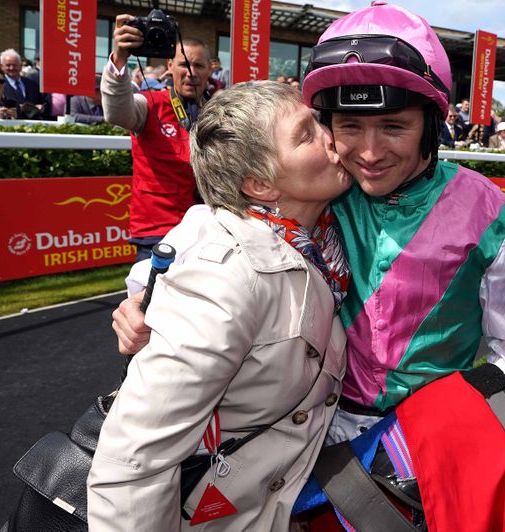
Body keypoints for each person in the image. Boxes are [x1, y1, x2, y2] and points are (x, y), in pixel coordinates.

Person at [113, 0, 505, 442]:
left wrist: (444, 425)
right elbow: (207, 228)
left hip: (428, 443)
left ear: (432, 123)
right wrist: (140, 299)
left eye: (394, 127)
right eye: (350, 127)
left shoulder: (494, 216)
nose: (369, 154)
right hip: (313, 436)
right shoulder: (323, 186)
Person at [88, 81, 352, 530]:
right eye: (307, 133)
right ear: (260, 184)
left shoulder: (320, 236)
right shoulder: (226, 276)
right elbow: (132, 464)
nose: (332, 136)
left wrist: (139, 299)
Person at [101, 14, 213, 260]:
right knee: (151, 299)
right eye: (184, 64)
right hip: (158, 230)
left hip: (209, 229)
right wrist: (120, 59)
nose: (191, 73)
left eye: (199, 66)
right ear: (170, 66)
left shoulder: (219, 109)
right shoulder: (149, 103)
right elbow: (117, 112)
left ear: (210, 69)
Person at [0, 48, 48, 119]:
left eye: (15, 65)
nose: (12, 68)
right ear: (2, 66)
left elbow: (42, 103)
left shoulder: (32, 84)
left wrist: (40, 107)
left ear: (20, 65)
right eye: (8, 65)